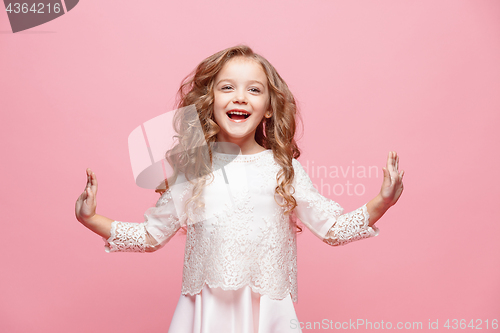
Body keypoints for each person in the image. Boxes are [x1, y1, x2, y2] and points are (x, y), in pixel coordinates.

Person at [75, 45, 404, 333]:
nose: (240, 97)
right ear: (209, 101)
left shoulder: (282, 170)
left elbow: (333, 229)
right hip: (206, 315)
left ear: (270, 107)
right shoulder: (195, 171)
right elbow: (151, 236)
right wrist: (91, 219)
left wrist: (383, 201)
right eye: (228, 87)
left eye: (254, 90)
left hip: (268, 314)